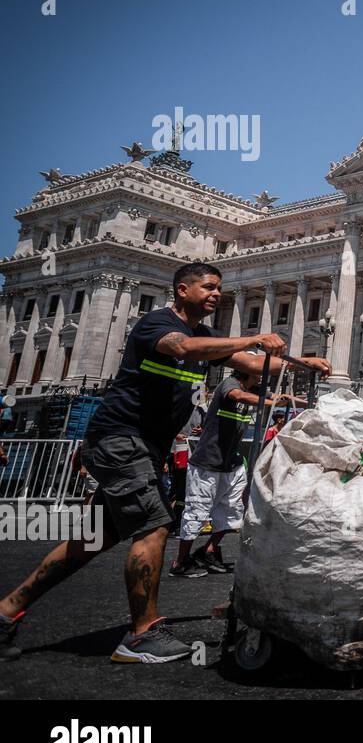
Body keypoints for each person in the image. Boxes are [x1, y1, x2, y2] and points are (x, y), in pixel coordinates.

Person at [0, 262, 330, 663]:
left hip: (145, 446)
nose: (215, 294)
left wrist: (300, 362)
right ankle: (140, 635)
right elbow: (183, 348)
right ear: (181, 290)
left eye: (218, 289)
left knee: (92, 540)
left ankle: (5, 612)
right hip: (120, 438)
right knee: (155, 527)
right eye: (207, 287)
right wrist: (256, 337)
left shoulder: (205, 335)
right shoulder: (155, 324)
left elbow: (255, 365)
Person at [171, 376, 302, 578]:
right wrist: (271, 402)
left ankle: (209, 550)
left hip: (231, 462)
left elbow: (280, 397)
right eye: (256, 368)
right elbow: (237, 395)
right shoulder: (229, 384)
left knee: (232, 510)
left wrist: (311, 404)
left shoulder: (257, 389)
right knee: (198, 509)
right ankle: (181, 561)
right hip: (209, 461)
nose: (261, 373)